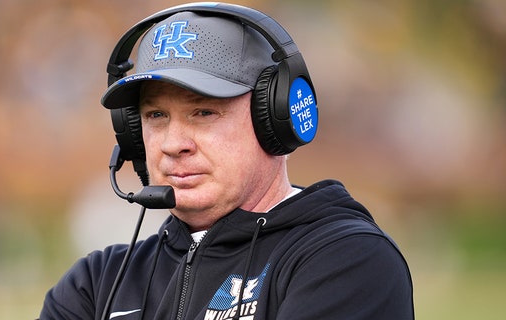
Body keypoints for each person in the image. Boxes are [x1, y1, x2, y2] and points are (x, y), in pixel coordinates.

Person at [39, 2, 414, 319]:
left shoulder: (348, 262)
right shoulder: (97, 282)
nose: (173, 143)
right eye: (156, 116)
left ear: (274, 119)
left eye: (203, 112)